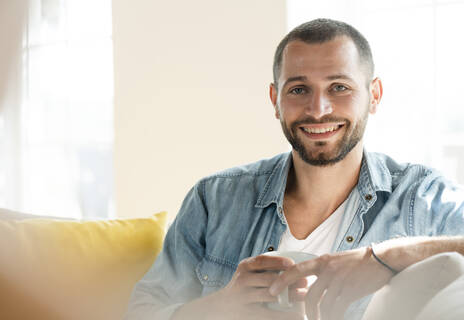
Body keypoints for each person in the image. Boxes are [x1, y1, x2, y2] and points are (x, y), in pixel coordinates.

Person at [125, 18, 464, 320]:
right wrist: (221, 307)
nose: (318, 110)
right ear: (275, 100)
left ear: (373, 95)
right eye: (299, 89)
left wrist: (383, 258)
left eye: (339, 87)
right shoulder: (213, 200)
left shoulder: (422, 197)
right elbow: (140, 312)